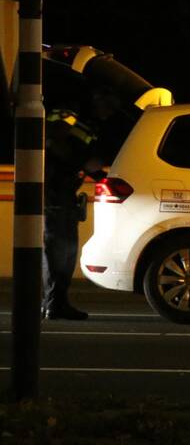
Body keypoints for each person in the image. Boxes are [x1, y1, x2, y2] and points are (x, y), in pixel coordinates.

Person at [41, 89, 119, 320]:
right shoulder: (71, 112)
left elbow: (82, 156)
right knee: (60, 249)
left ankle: (54, 302)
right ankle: (54, 304)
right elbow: (53, 141)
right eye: (109, 103)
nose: (111, 111)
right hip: (55, 193)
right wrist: (83, 163)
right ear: (97, 96)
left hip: (63, 192)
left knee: (64, 250)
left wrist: (99, 176)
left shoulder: (91, 122)